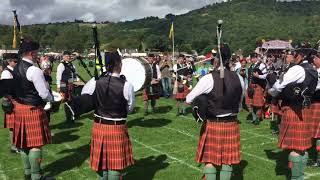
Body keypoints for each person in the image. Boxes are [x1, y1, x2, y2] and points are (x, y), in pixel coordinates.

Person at [186, 54, 244, 180]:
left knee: (209, 160)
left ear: (216, 62)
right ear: (229, 62)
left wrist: (204, 99)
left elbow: (189, 98)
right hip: (232, 123)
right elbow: (240, 105)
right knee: (227, 161)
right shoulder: (239, 78)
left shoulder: (208, 78)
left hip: (213, 123)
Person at [84, 51, 135, 180]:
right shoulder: (127, 85)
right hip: (116, 127)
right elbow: (129, 108)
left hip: (99, 126)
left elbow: (85, 95)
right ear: (118, 64)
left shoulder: (96, 81)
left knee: (102, 163)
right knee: (115, 165)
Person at [268, 48, 318, 180]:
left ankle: (295, 178)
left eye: (295, 55)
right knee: (302, 147)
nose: (294, 57)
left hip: (293, 109)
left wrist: (272, 90)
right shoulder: (313, 70)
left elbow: (279, 86)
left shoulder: (298, 69)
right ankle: (299, 177)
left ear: (300, 56)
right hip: (305, 109)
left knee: (295, 149)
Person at [12, 40, 54, 180]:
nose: (38, 55)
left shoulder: (16, 67)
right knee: (36, 145)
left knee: (23, 144)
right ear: (31, 53)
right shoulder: (34, 70)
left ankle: (28, 173)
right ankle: (37, 176)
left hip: (20, 108)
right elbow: (43, 94)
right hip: (33, 109)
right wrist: (52, 98)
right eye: (36, 52)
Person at [1, 53, 19, 153]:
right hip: (11, 102)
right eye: (15, 62)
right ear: (9, 62)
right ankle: (14, 146)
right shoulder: (6, 73)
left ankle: (17, 144)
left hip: (17, 100)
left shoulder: (14, 71)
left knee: (17, 124)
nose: (17, 63)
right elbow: (6, 90)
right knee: (13, 126)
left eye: (17, 61)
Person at [247, 53, 267, 125]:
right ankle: (254, 118)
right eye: (251, 58)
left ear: (256, 58)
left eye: (252, 58)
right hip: (251, 86)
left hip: (258, 86)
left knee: (258, 104)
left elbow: (266, 75)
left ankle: (258, 119)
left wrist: (258, 76)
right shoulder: (251, 66)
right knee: (250, 103)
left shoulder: (261, 65)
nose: (251, 59)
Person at [310, 52, 320, 167]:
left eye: (316, 58)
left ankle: (318, 160)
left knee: (318, 133)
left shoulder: (316, 72)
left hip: (317, 103)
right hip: (316, 103)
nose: (314, 60)